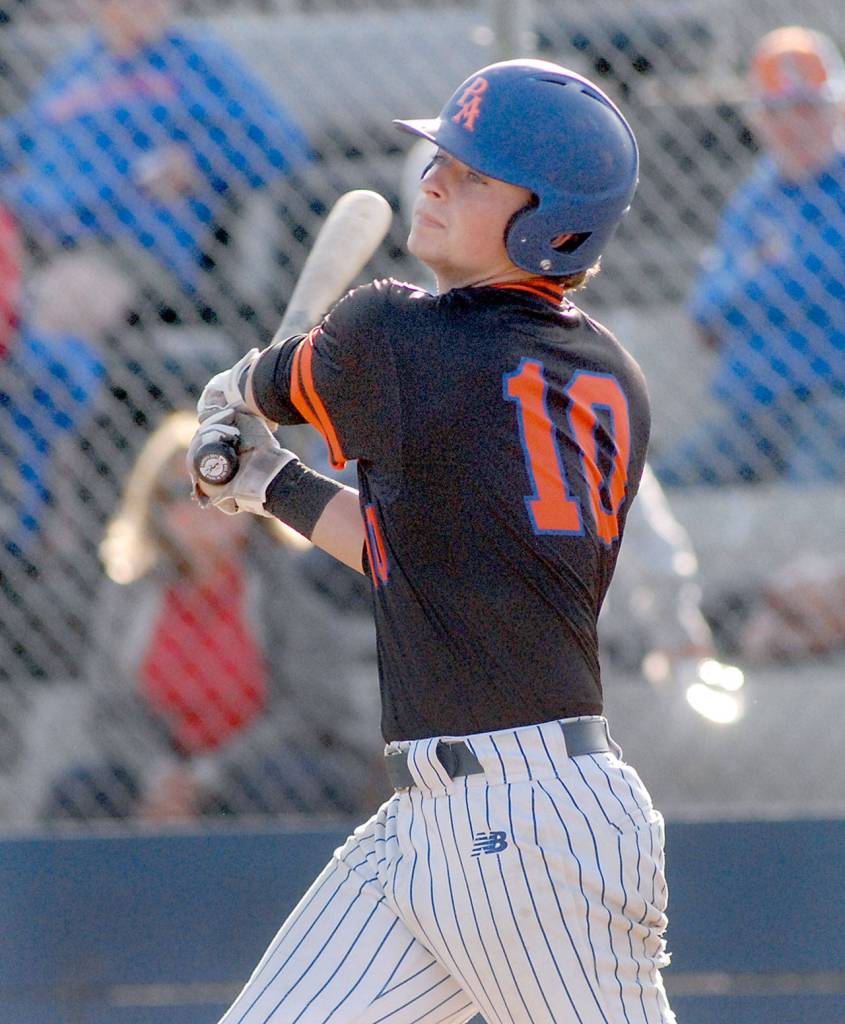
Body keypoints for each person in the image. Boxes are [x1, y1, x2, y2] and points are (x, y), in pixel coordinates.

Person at [189, 59, 675, 1024]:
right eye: (443, 158)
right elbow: (416, 557)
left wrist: (228, 407)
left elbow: (264, 385)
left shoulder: (393, 335)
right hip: (442, 821)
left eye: (477, 175)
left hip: (530, 839)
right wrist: (270, 483)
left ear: (553, 221)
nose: (436, 179)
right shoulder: (613, 374)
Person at [41, 410, 383, 823]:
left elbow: (309, 710)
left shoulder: (285, 585)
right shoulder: (130, 596)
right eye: (178, 492)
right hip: (160, 768)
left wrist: (209, 776)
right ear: (154, 509)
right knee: (80, 793)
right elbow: (111, 710)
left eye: (215, 487)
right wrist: (160, 775)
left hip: (255, 765)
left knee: (289, 786)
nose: (200, 505)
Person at [0, 0, 311, 349]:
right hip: (34, 233)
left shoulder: (198, 61)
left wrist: (197, 162)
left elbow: (284, 143)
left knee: (60, 302)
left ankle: (56, 392)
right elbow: (14, 142)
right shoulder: (76, 70)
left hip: (125, 243)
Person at [655, 25, 845, 486]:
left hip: (833, 403)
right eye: (777, 111)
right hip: (754, 412)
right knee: (662, 485)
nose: (794, 126)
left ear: (838, 110)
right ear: (757, 121)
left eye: (808, 108)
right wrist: (777, 278)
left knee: (811, 495)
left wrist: (754, 278)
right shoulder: (756, 197)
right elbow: (705, 307)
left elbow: (822, 280)